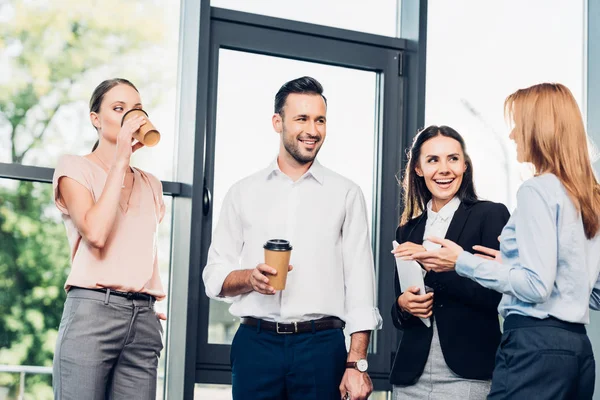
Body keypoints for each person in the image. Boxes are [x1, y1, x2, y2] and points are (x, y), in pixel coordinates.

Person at [202, 76, 382, 400]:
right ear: (277, 122)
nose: (312, 130)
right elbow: (214, 275)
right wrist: (249, 278)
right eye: (302, 118)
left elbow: (360, 284)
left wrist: (357, 362)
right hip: (256, 345)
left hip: (322, 346)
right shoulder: (242, 193)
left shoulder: (347, 194)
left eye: (320, 120)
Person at [419, 83, 600, 399]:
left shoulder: (537, 190)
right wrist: (512, 265)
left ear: (538, 129)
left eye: (518, 125)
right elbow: (593, 292)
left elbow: (535, 286)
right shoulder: (588, 196)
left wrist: (461, 261)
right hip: (577, 349)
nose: (513, 135)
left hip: (533, 349)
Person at [52, 78, 167, 399]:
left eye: (136, 109)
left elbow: (143, 252)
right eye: (118, 109)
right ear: (96, 119)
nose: (131, 117)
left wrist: (145, 300)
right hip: (92, 314)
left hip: (143, 319)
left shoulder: (152, 184)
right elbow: (97, 233)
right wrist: (121, 158)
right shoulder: (74, 168)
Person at [389, 125, 510, 399]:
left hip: (468, 375)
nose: (444, 169)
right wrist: (403, 305)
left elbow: (496, 297)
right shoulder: (407, 231)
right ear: (418, 169)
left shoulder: (489, 215)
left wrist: (434, 267)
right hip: (411, 378)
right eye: (433, 160)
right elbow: (400, 308)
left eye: (453, 159)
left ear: (464, 165)